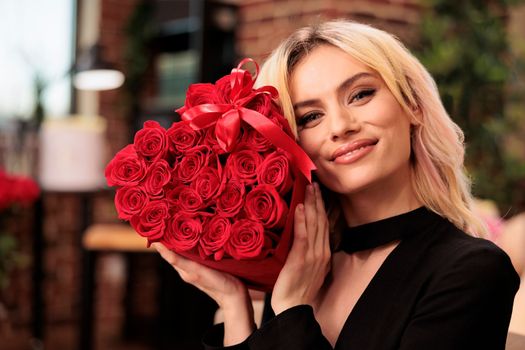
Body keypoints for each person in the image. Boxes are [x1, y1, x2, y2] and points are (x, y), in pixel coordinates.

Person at [152, 20, 520, 349]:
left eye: (360, 94)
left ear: (413, 105)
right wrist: (233, 306)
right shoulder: (302, 263)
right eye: (311, 117)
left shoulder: (473, 271)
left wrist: (294, 309)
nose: (341, 125)